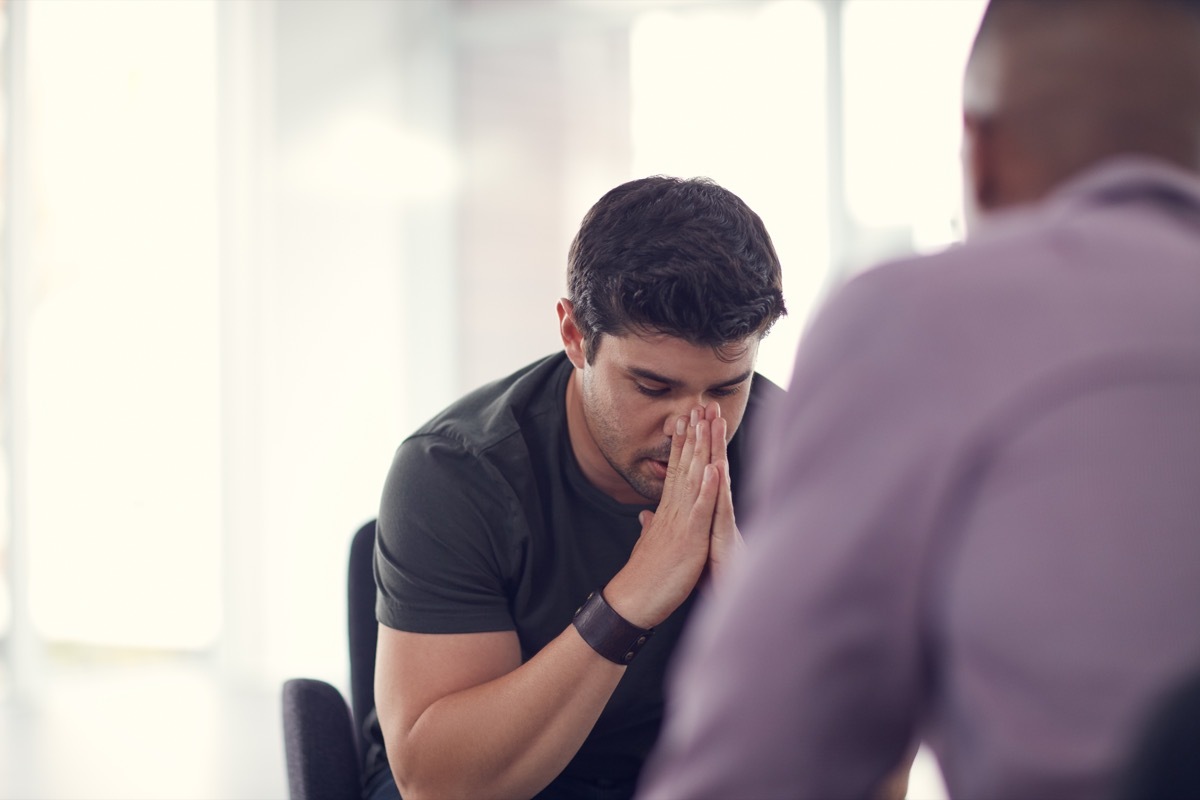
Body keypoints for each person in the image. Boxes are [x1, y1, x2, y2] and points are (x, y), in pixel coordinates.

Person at [638, 1, 1200, 799]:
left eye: (722, 386)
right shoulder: (465, 470)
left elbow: (763, 768)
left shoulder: (926, 322)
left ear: (981, 156)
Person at [364, 175, 788, 800]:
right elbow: (441, 784)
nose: (694, 428)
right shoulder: (455, 472)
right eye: (652, 387)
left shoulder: (802, 462)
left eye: (727, 389)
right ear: (573, 336)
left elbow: (873, 777)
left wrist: (763, 624)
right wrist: (629, 603)